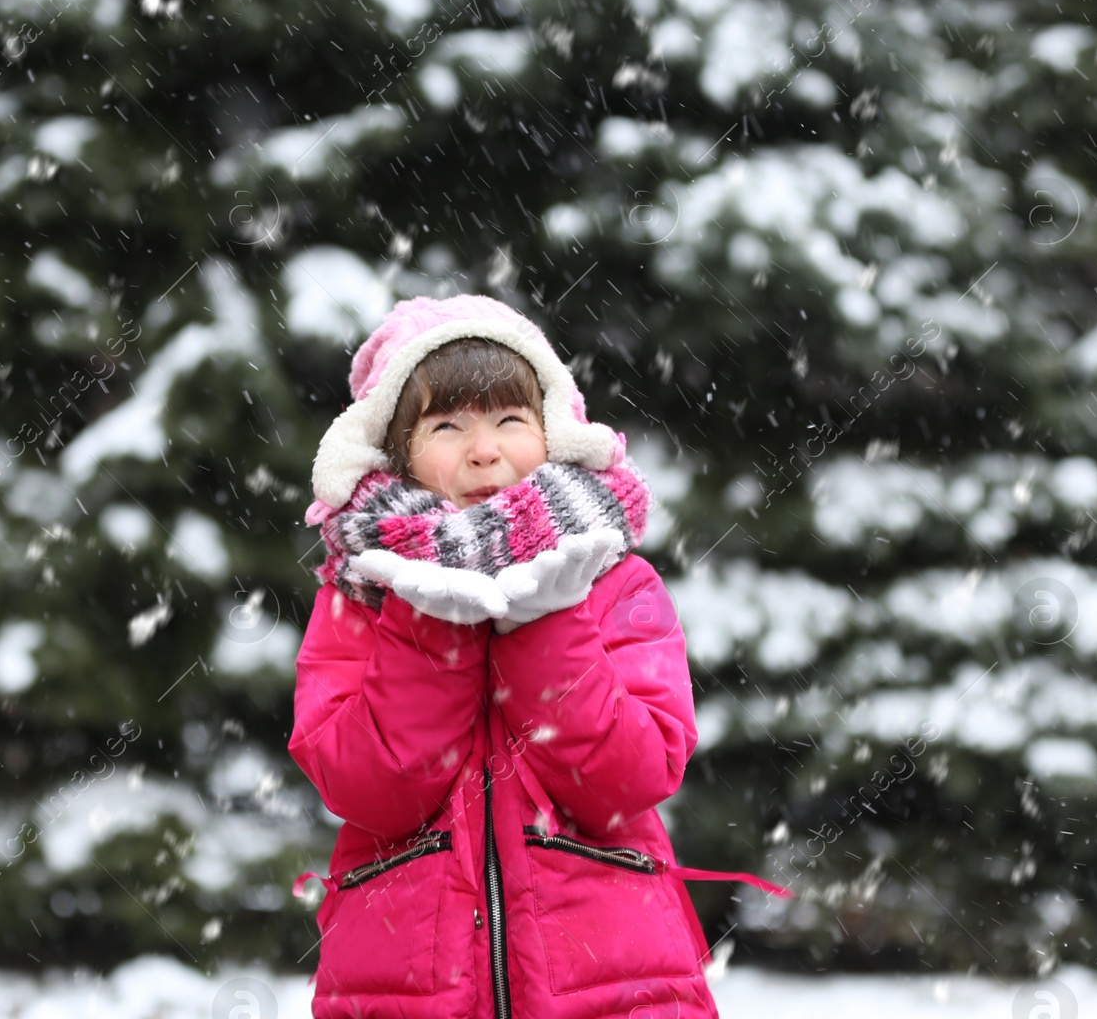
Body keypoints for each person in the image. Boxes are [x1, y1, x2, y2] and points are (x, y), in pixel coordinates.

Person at [289, 295, 786, 1019]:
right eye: (447, 424)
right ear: (397, 456)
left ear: (552, 432)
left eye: (509, 419)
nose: (483, 448)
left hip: (611, 981)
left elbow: (630, 775)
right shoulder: (360, 598)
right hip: (408, 988)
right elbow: (369, 789)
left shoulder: (615, 581)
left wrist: (548, 624)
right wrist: (430, 627)